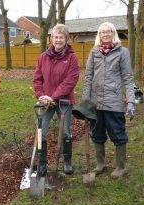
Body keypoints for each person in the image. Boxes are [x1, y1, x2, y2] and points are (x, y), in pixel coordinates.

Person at [82, 22, 135, 178]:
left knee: (118, 133)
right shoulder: (94, 52)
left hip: (114, 102)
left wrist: (131, 100)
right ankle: (101, 164)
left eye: (108, 31)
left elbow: (127, 77)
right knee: (97, 133)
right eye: (102, 32)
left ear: (113, 33)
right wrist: (86, 100)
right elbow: (88, 77)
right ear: (99, 35)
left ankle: (121, 166)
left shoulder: (122, 52)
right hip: (95, 102)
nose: (105, 34)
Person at [33, 23, 80, 176]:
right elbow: (37, 78)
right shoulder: (43, 57)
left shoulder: (71, 58)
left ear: (66, 39)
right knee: (41, 133)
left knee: (66, 132)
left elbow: (71, 81)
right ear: (51, 39)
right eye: (55, 37)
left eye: (61, 37)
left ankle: (67, 161)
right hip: (45, 101)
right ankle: (41, 164)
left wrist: (53, 97)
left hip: (64, 102)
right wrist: (41, 95)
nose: (58, 40)